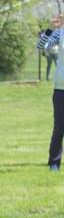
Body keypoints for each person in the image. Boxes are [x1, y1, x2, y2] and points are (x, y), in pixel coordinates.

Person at [38, 14, 64, 171]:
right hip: (61, 87)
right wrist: (49, 29)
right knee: (59, 126)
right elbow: (41, 46)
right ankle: (54, 163)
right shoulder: (59, 33)